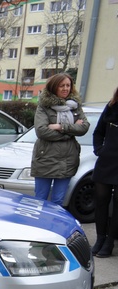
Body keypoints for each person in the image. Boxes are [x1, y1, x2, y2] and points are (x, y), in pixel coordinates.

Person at [31, 73, 90, 206]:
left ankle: (53, 226)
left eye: (68, 85)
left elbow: (84, 127)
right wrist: (71, 131)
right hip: (45, 158)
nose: (65, 88)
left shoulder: (75, 106)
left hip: (67, 160)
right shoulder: (44, 106)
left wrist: (60, 127)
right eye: (61, 85)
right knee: (40, 200)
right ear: (53, 87)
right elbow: (41, 131)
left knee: (58, 201)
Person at [90, 86, 118, 258]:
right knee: (101, 202)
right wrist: (99, 149)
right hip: (106, 161)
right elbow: (98, 132)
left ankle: (110, 243)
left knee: (117, 205)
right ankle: (100, 239)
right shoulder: (111, 105)